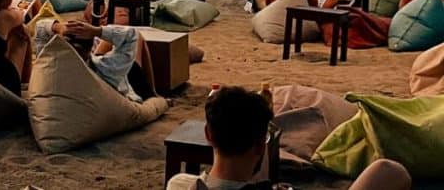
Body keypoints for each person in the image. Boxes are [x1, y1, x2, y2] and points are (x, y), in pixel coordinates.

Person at [167, 86, 411, 190]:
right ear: (260, 144)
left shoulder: (179, 184)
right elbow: (390, 170)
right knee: (388, 171)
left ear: (208, 135)